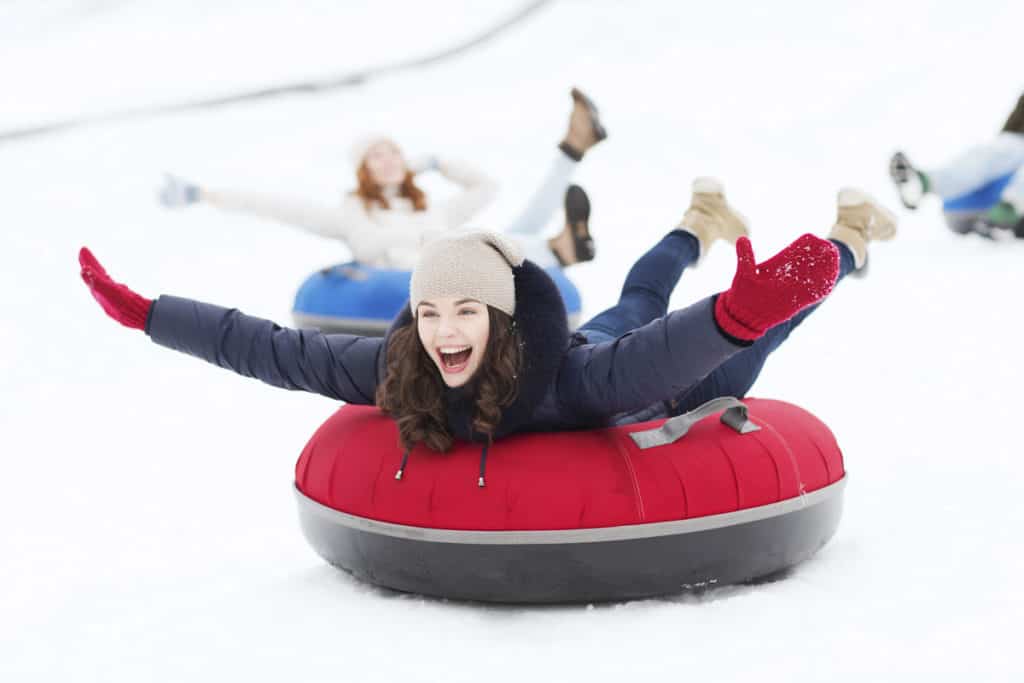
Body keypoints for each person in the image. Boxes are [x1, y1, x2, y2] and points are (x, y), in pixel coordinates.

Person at [79, 179, 896, 484]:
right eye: (430, 312)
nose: (444, 329)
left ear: (499, 320)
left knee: (711, 317)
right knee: (638, 297)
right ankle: (700, 215)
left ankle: (847, 239)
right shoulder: (402, 370)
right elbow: (275, 349)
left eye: (465, 310)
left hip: (667, 380)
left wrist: (733, 317)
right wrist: (152, 314)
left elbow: (657, 358)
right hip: (598, 348)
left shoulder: (574, 384)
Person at [158, 88, 607, 269]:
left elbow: (487, 187)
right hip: (431, 281)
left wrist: (437, 164)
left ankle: (572, 153)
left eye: (394, 151)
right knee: (508, 239)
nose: (388, 159)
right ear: (364, 169)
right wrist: (202, 193)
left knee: (514, 231)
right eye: (377, 155)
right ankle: (559, 243)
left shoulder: (431, 206)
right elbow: (275, 206)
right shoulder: (350, 214)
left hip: (469, 260)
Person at [890, 92, 1024, 236]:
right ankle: (923, 183)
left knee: (1005, 148)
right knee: (1000, 149)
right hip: (967, 208)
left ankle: (1011, 207)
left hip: (1007, 212)